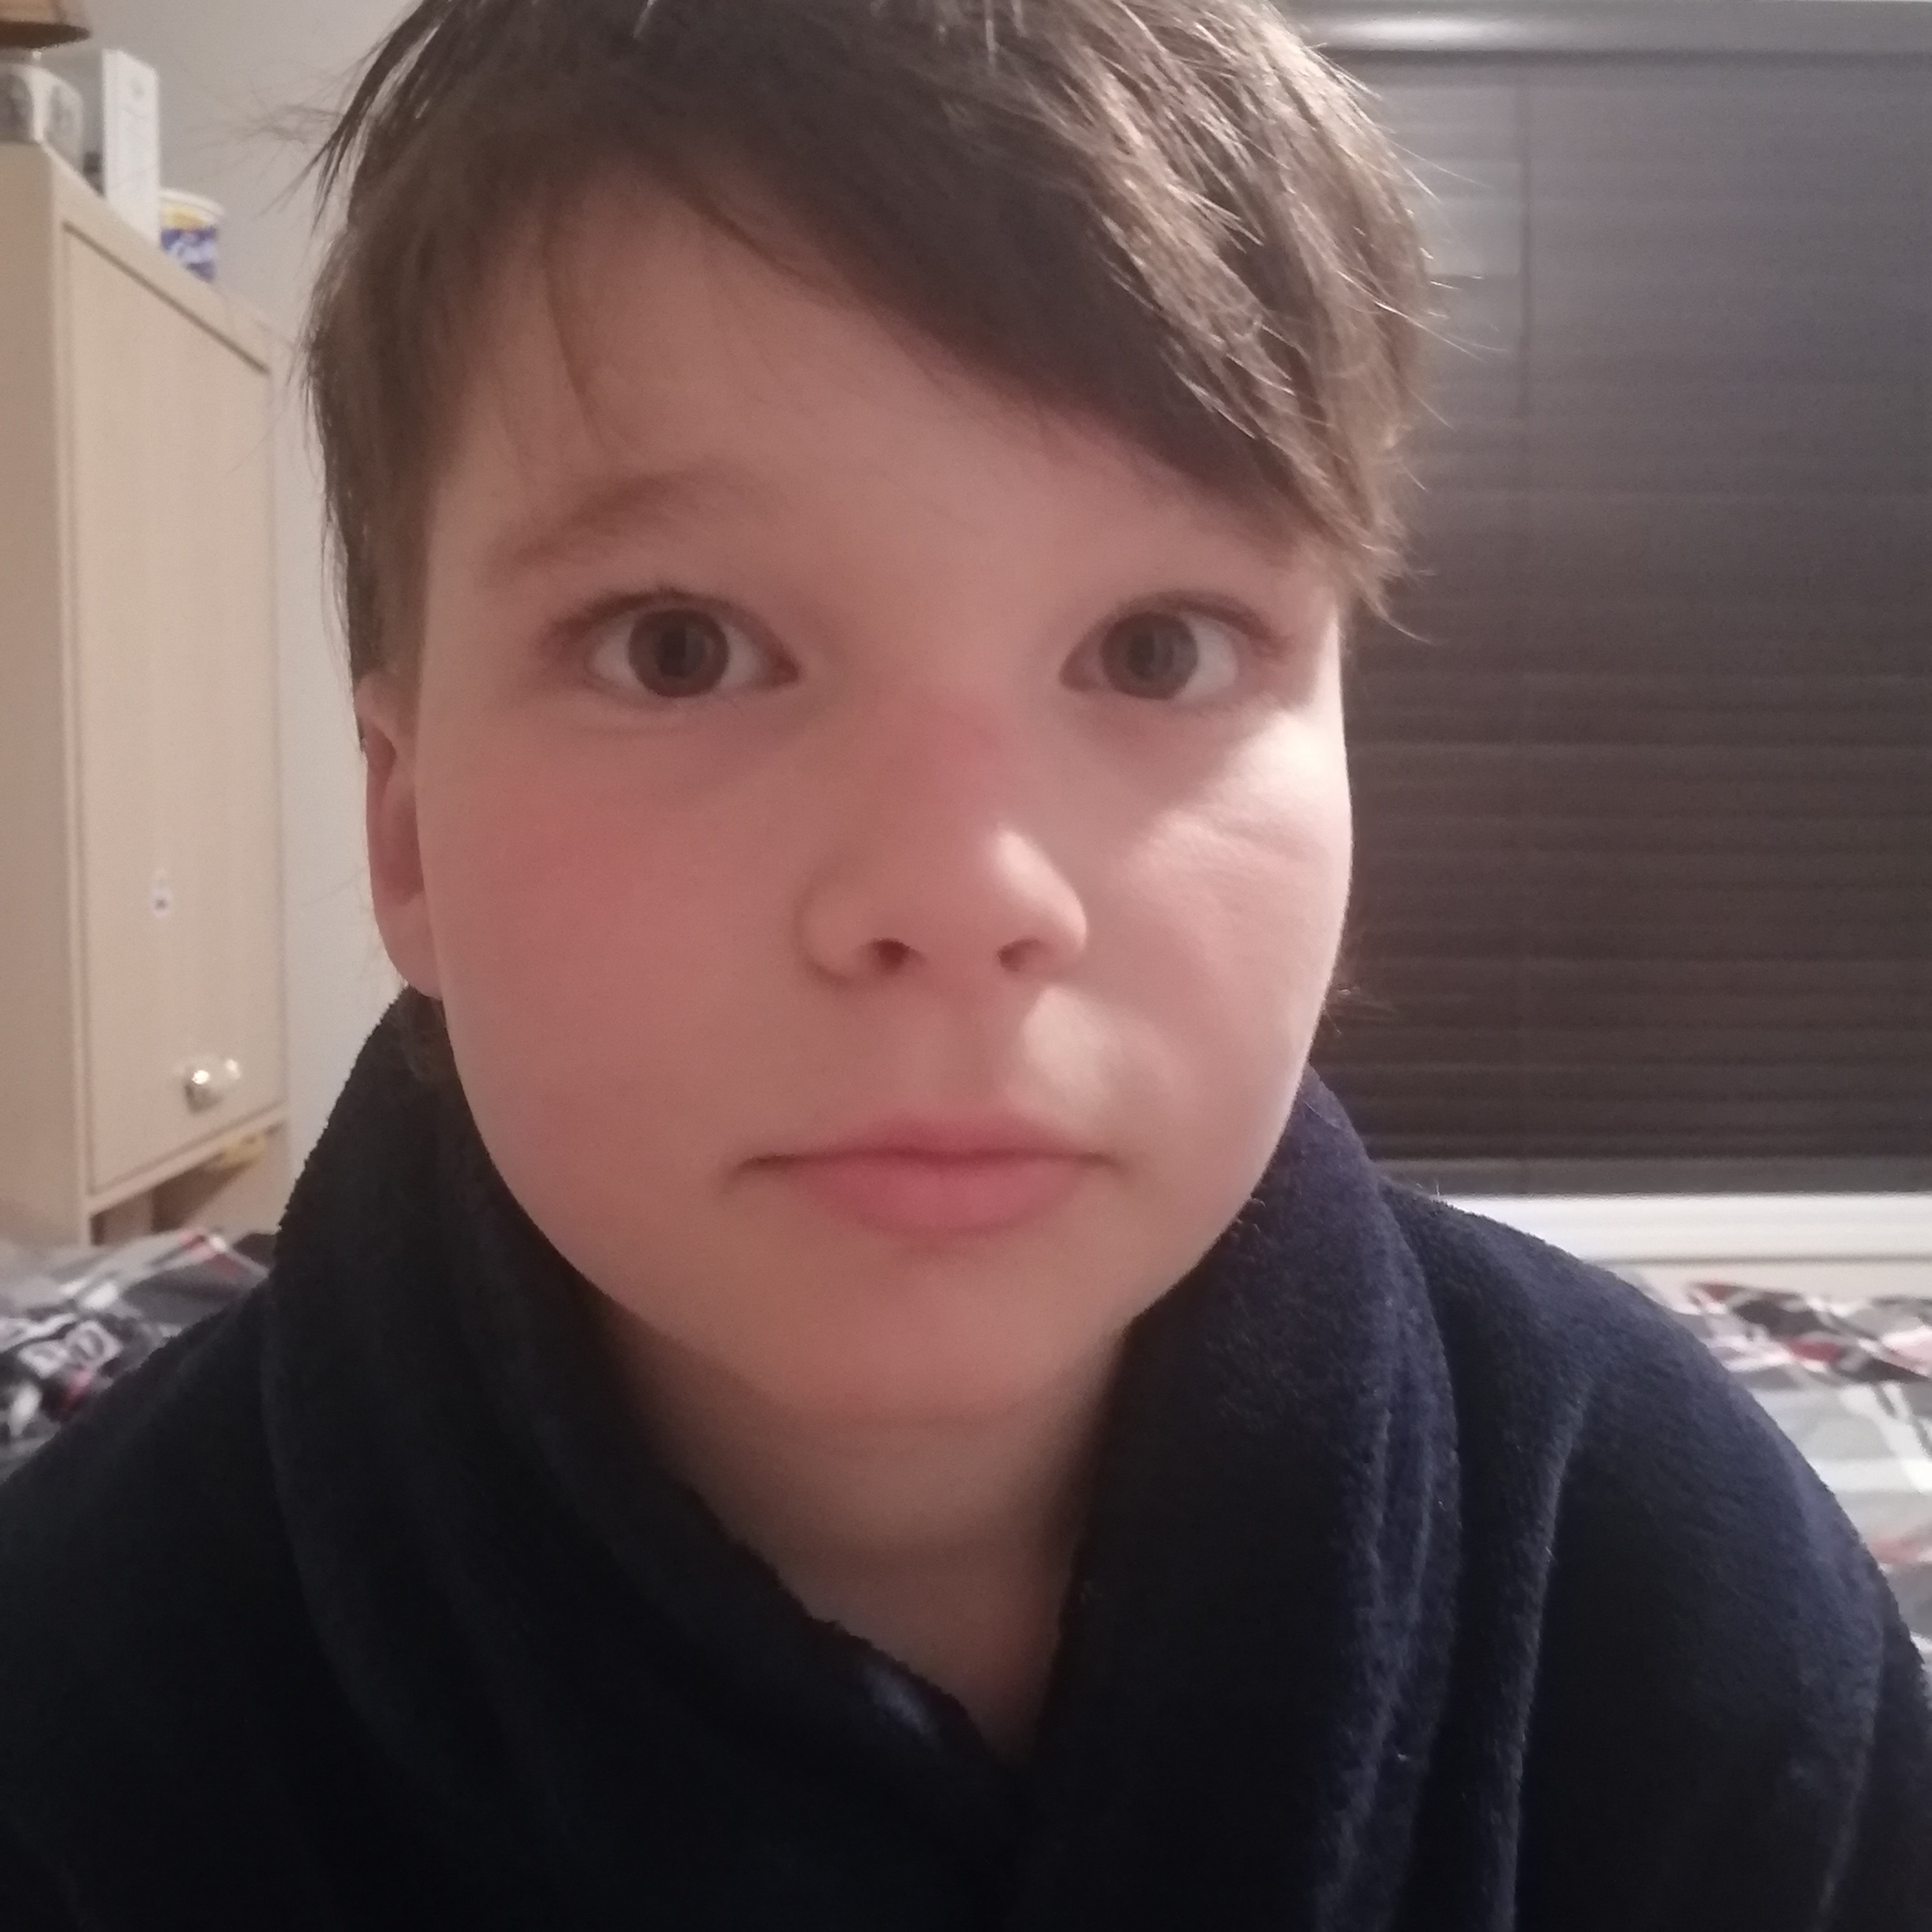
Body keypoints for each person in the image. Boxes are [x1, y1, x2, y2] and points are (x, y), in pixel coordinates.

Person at [1, 0, 1926, 1925]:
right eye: (681, 646)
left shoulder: (1670, 1591)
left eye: (1158, 649)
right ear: (408, 832)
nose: (960, 889)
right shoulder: (90, 1700)